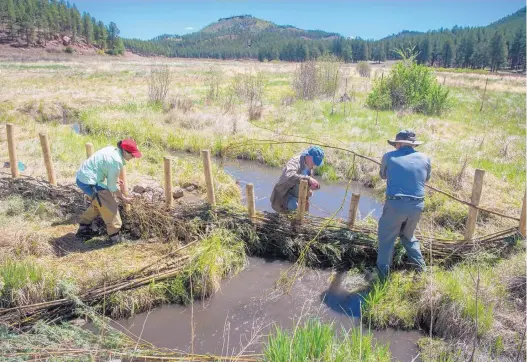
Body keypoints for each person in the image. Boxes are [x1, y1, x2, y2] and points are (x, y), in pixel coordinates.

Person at [377, 130, 430, 279]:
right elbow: (426, 179)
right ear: (413, 145)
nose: (395, 147)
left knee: (386, 239)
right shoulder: (425, 158)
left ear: (398, 144)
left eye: (396, 144)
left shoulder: (389, 156)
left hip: (395, 204)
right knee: (408, 236)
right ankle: (422, 272)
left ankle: (382, 279)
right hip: (417, 205)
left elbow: (383, 175)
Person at [75, 139, 142, 242]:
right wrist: (123, 197)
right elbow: (111, 187)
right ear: (124, 151)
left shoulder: (112, 150)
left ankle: (84, 227)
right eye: (132, 155)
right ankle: (115, 237)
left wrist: (114, 178)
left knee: (99, 203)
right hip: (90, 182)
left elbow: (103, 166)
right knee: (111, 208)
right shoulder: (116, 161)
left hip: (83, 177)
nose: (133, 157)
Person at [271, 146, 325, 213]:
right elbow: (289, 175)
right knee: (290, 217)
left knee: (303, 212)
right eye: (314, 162)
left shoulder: (309, 167)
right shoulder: (295, 162)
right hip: (283, 198)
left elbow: (303, 183)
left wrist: (309, 190)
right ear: (309, 156)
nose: (315, 165)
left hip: (297, 199)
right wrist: (308, 179)